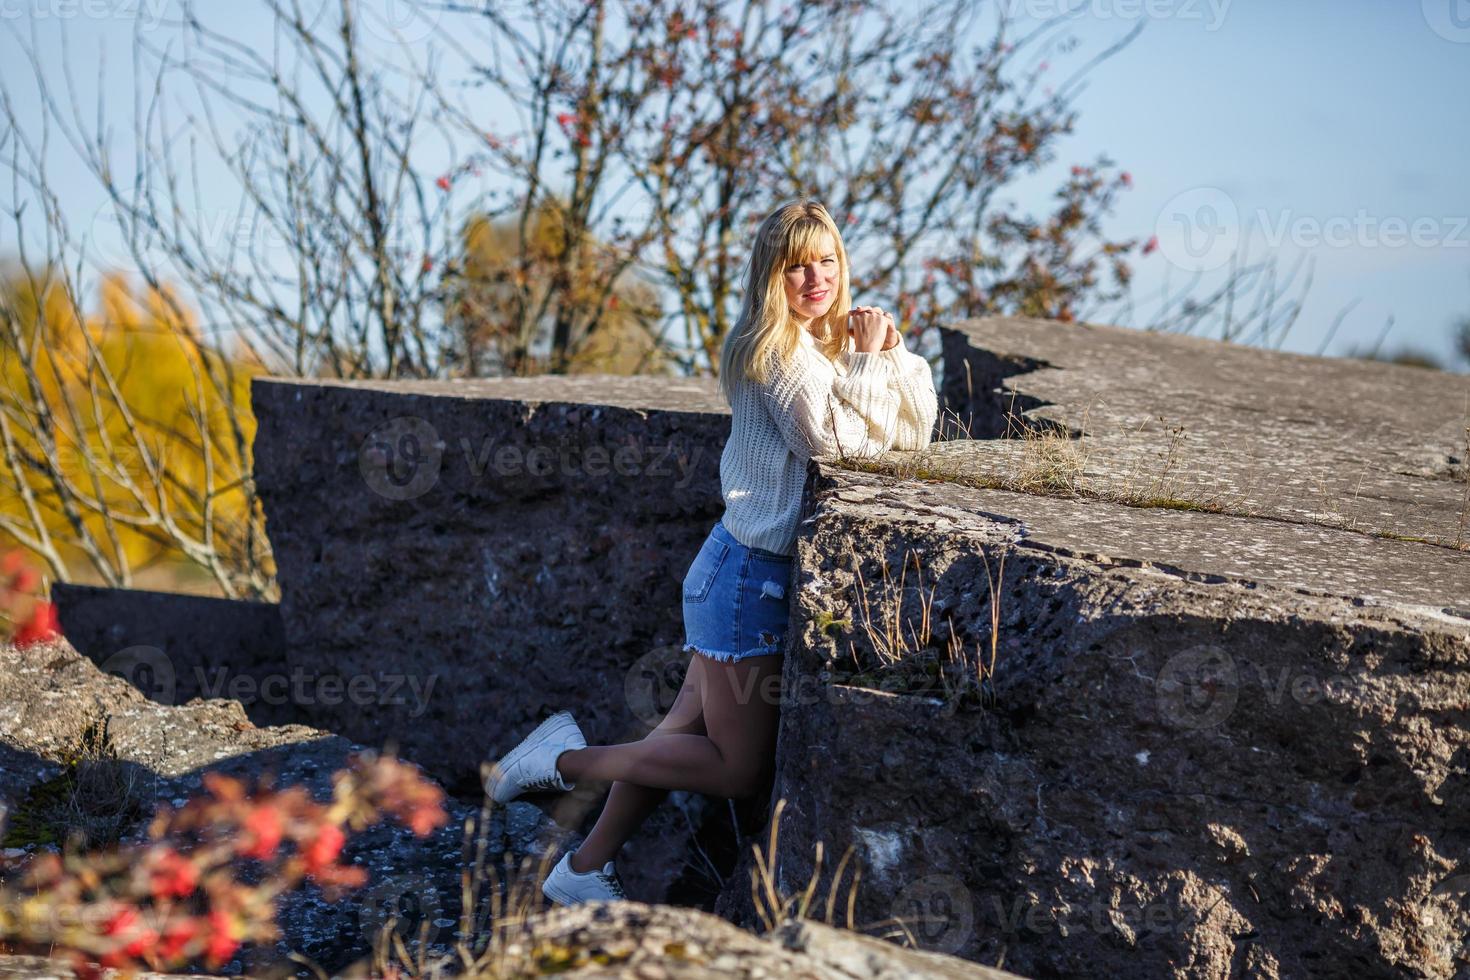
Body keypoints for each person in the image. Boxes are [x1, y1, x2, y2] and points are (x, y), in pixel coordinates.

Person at [482, 199, 940, 906]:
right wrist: (868, 360)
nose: (815, 277)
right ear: (771, 277)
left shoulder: (820, 350)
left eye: (827, 261)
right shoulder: (780, 353)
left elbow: (915, 433)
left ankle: (580, 870)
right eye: (796, 266)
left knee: (674, 741)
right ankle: (557, 758)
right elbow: (841, 448)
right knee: (732, 770)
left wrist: (891, 357)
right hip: (748, 579)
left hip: (737, 571)